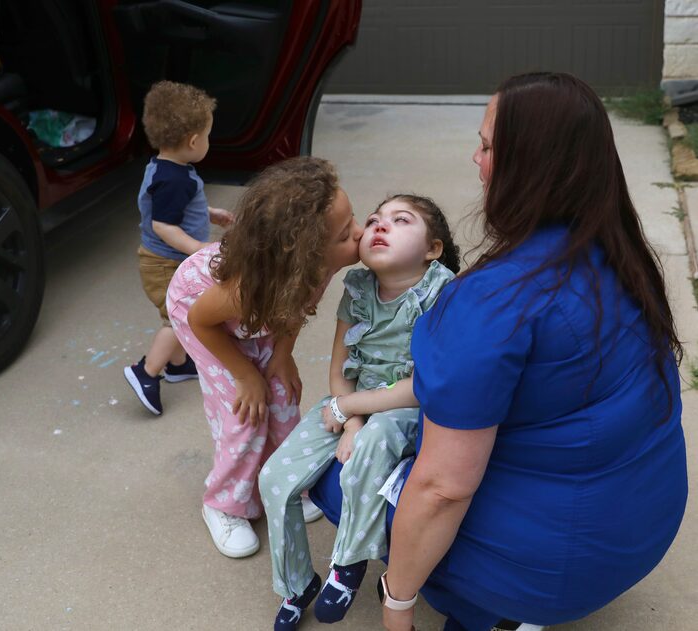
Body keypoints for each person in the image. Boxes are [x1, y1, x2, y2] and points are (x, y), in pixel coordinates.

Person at [367, 72, 688, 631]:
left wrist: (397, 600)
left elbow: (442, 488)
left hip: (554, 571)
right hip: (644, 527)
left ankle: (485, 611)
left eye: (488, 146)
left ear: (529, 166)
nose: (475, 157)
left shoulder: (493, 300)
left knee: (339, 468)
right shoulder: (621, 253)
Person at [260, 194, 460, 631]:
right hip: (350, 403)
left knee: (370, 445)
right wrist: (348, 419)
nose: (380, 226)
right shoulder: (357, 287)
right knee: (274, 478)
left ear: (432, 249)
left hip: (405, 408)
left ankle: (348, 562)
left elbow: (424, 387)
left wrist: (352, 412)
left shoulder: (441, 293)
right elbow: (339, 367)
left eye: (400, 220)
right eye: (373, 220)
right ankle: (296, 584)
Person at [166, 156, 364, 559]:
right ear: (304, 255)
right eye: (345, 235)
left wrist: (281, 357)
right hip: (201, 316)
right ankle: (223, 503)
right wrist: (244, 374)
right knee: (245, 414)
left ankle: (279, 479)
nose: (360, 235)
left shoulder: (310, 269)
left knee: (282, 395)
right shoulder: (240, 289)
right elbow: (201, 320)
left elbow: (294, 310)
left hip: (255, 320)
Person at [123, 80, 233, 416]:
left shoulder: (167, 168)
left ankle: (178, 364)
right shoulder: (174, 180)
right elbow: (163, 224)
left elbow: (174, 208)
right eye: (209, 135)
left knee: (178, 313)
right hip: (165, 264)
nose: (209, 142)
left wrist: (209, 212)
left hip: (165, 260)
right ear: (194, 140)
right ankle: (146, 372)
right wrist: (199, 248)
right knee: (178, 317)